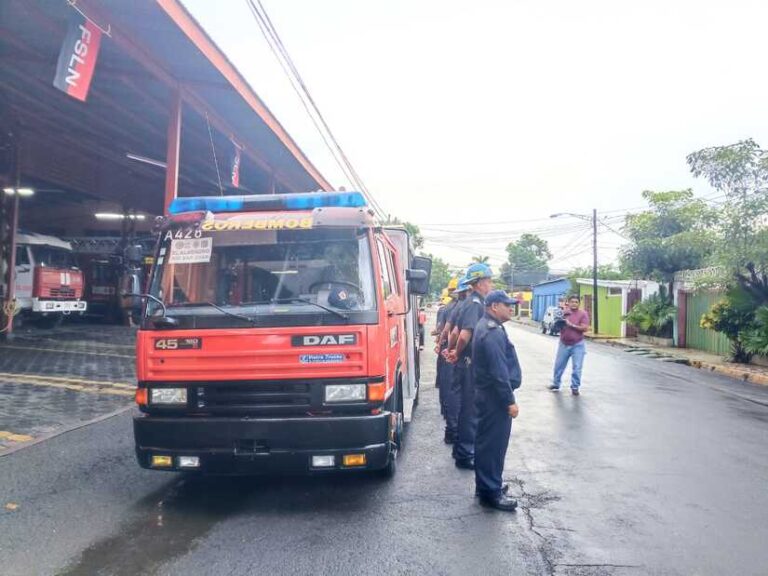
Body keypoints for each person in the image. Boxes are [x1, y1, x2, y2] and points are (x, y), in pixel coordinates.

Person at [472, 290, 521, 512]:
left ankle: (486, 486)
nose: (511, 308)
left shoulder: (490, 326)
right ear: (494, 307)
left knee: (487, 443)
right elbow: (499, 372)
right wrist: (509, 401)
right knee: (493, 445)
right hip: (494, 398)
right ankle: (490, 492)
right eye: (507, 305)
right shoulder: (491, 332)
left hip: (488, 395)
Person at [446, 263, 493, 469]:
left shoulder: (466, 302)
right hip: (470, 363)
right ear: (479, 282)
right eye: (488, 280)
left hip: (463, 362)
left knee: (465, 407)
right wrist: (456, 352)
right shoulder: (476, 304)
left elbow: (454, 332)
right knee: (471, 410)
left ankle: (460, 450)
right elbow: (464, 334)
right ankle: (466, 453)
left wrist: (452, 350)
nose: (490, 285)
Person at [437, 278, 470, 444]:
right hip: (461, 355)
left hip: (451, 350)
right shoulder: (468, 307)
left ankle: (450, 425)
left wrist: (444, 346)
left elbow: (445, 330)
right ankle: (454, 429)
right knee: (459, 394)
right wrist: (453, 350)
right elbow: (454, 332)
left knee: (450, 389)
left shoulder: (453, 307)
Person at [550, 295, 590, 395]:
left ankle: (575, 387)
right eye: (572, 302)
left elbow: (584, 328)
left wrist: (571, 325)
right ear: (568, 302)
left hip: (577, 344)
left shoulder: (583, 314)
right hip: (564, 343)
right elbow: (556, 326)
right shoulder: (564, 313)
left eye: (576, 302)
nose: (574, 304)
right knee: (559, 365)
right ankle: (556, 384)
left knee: (577, 367)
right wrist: (557, 324)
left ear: (579, 304)